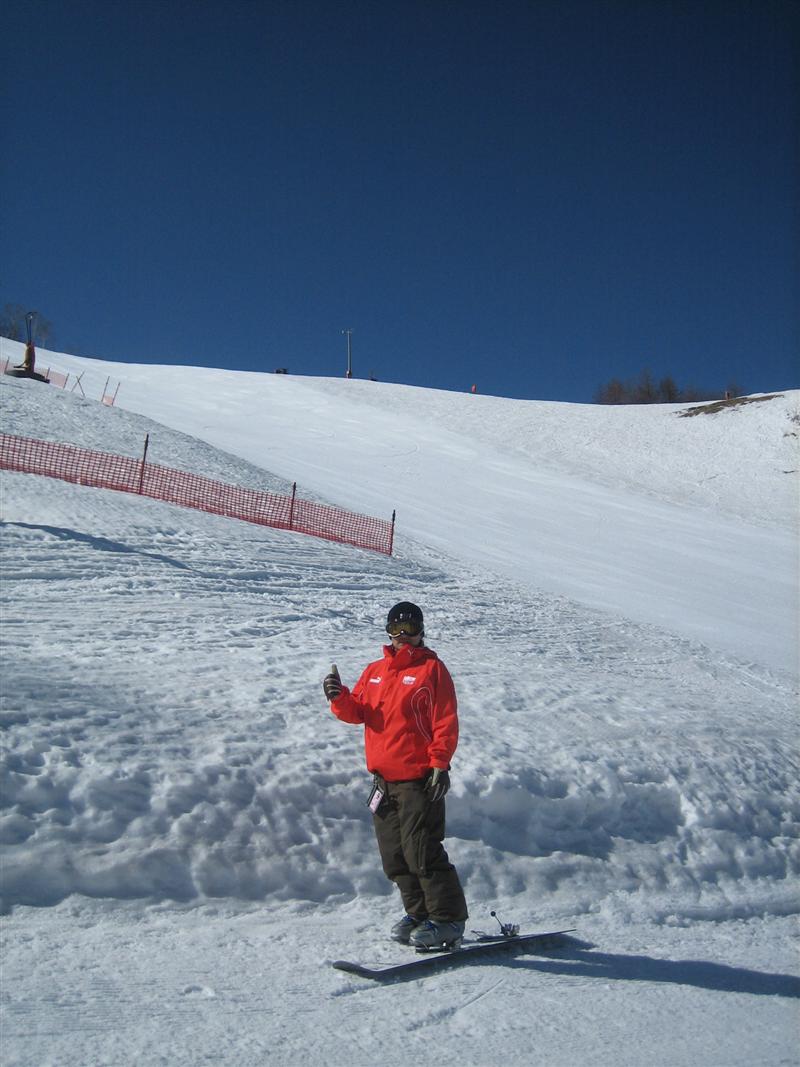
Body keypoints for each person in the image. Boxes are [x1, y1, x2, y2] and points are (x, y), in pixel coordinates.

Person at [323, 602, 468, 949]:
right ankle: (419, 914)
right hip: (383, 781)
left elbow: (445, 720)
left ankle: (447, 919)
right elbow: (358, 712)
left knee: (422, 851)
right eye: (396, 629)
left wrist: (440, 763)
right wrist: (339, 698)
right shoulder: (376, 670)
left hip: (419, 780)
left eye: (411, 629)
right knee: (395, 855)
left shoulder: (432, 670)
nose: (403, 636)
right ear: (388, 632)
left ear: (421, 631)